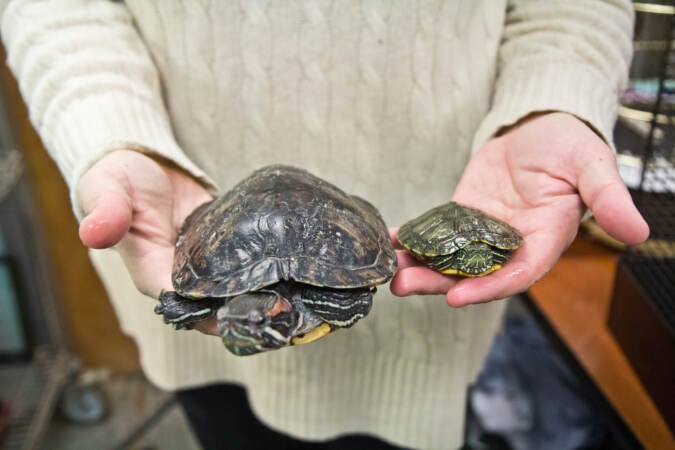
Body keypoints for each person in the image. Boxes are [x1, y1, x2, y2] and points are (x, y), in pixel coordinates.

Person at [2, 1, 649, 449]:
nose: (274, 321)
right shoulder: (237, 310)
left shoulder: (344, 293)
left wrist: (552, 97)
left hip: (430, 303)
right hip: (176, 215)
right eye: (267, 320)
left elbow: (572, 6)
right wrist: (112, 132)